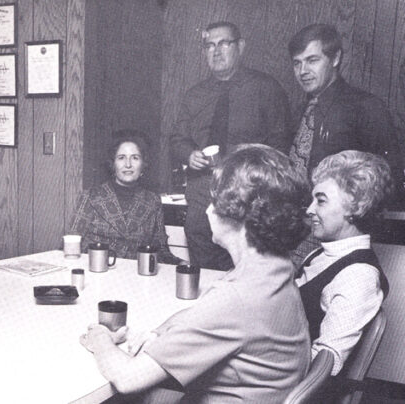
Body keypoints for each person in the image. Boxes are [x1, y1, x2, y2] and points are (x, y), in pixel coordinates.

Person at [81, 144, 311, 402]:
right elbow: (199, 315)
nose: (208, 209)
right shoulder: (275, 270)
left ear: (237, 213)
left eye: (215, 200)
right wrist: (158, 333)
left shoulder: (236, 298)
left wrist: (100, 337)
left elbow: (127, 378)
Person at [170, 21, 291, 271]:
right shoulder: (194, 95)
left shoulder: (266, 88)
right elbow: (177, 139)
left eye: (224, 43)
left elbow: (281, 143)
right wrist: (189, 154)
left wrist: (253, 161)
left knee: (248, 260)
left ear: (241, 46)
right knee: (202, 260)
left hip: (248, 191)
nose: (216, 51)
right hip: (203, 191)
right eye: (209, 46)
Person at [288, 23, 404, 264]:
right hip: (296, 227)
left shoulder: (366, 107)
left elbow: (389, 176)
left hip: (339, 237)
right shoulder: (301, 110)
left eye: (312, 60)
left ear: (335, 58)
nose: (303, 71)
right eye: (297, 63)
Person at [296, 150, 391, 376]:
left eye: (320, 201)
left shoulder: (359, 275)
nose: (310, 210)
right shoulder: (320, 254)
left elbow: (326, 365)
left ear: (356, 207)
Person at [70, 132, 182, 263]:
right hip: (98, 269)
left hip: (136, 272)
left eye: (135, 158)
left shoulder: (153, 201)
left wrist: (179, 263)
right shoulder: (91, 197)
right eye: (121, 157)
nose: (128, 164)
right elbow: (72, 243)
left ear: (143, 164)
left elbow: (161, 249)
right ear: (113, 163)